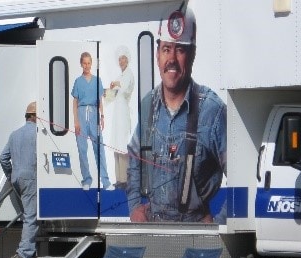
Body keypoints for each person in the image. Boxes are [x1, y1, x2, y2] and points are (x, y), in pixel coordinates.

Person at [126, 5, 226, 223]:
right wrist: (134, 207)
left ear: (192, 55)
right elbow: (134, 158)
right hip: (153, 230)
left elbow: (241, 176)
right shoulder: (148, 105)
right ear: (157, 55)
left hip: (196, 232)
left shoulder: (212, 110)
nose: (172, 58)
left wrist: (219, 225)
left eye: (180, 50)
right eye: (166, 49)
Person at [0, 101, 38, 258]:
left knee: (27, 215)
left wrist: (10, 174)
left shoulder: (14, 134)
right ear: (37, 116)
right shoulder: (38, 134)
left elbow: (3, 158)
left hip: (16, 179)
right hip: (31, 178)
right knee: (32, 216)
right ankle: (23, 255)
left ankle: (28, 246)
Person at [72, 51, 114, 191]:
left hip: (95, 114)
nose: (87, 66)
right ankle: (86, 179)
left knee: (99, 149)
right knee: (82, 149)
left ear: (92, 64)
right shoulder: (78, 81)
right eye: (84, 63)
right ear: (81, 64)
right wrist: (76, 121)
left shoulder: (97, 81)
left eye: (89, 63)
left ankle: (106, 181)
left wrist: (102, 116)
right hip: (82, 114)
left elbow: (100, 100)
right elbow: (75, 102)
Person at [108, 46, 134, 189]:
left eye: (123, 58)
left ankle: (124, 179)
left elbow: (124, 88)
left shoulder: (128, 74)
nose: (121, 61)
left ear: (127, 60)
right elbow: (113, 93)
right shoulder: (120, 75)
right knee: (116, 144)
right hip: (117, 114)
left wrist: (116, 84)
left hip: (123, 113)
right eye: (119, 59)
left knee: (122, 144)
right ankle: (118, 178)